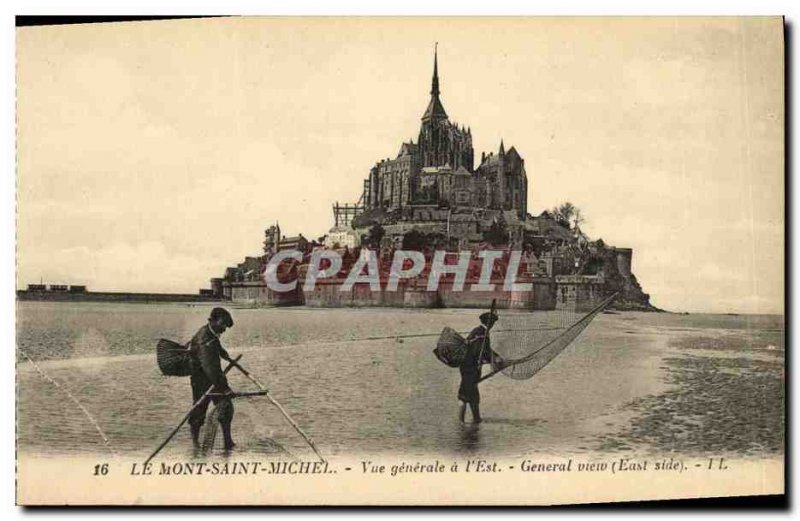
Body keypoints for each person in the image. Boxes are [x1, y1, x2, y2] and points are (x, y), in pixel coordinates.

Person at [188, 307, 237, 450]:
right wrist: (225, 388)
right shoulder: (204, 338)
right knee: (199, 411)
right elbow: (210, 367)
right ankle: (195, 444)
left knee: (226, 407)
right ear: (212, 320)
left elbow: (216, 345)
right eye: (222, 324)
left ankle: (228, 442)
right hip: (201, 379)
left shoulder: (211, 333)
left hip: (215, 377)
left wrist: (224, 354)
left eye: (225, 327)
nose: (223, 329)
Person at [458, 310, 501, 424]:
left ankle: (476, 419)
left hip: (469, 367)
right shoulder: (481, 333)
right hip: (470, 368)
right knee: (464, 395)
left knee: (473, 394)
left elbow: (484, 351)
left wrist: (495, 358)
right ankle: (461, 422)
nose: (493, 326)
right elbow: (481, 351)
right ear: (489, 323)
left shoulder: (479, 331)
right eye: (492, 323)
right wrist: (495, 359)